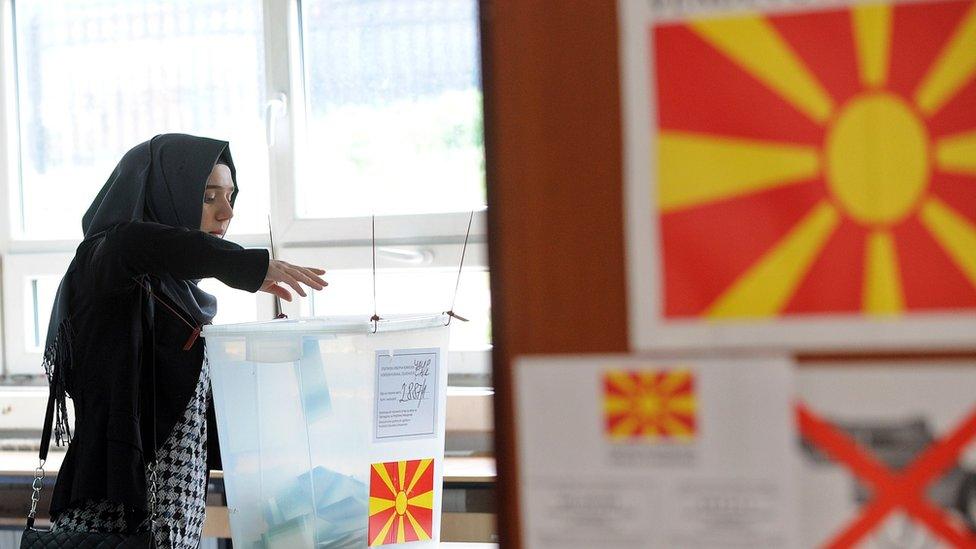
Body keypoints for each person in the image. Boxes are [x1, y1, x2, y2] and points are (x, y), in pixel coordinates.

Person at [43, 134, 326, 548]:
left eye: (231, 196)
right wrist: (242, 266)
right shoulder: (104, 265)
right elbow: (132, 242)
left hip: (175, 518)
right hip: (116, 518)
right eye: (208, 196)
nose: (226, 212)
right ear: (164, 194)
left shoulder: (179, 294)